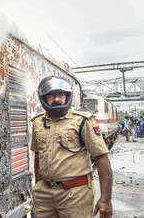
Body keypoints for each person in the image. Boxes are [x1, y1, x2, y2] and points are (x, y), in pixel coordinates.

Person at [30, 75, 113, 218]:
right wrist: (38, 186)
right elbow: (38, 155)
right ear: (43, 98)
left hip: (76, 194)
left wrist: (105, 199)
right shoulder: (38, 123)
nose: (57, 99)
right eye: (51, 95)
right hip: (44, 194)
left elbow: (101, 158)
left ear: (67, 96)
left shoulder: (83, 121)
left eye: (61, 95)